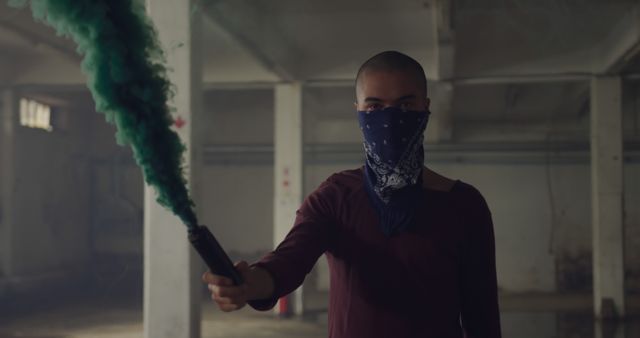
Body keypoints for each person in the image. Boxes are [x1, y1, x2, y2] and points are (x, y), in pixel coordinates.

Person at [202, 50, 502, 338]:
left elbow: (483, 319)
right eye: (374, 107)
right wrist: (249, 283)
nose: (389, 119)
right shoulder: (336, 197)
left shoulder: (464, 206)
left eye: (405, 106)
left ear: (425, 108)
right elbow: (289, 261)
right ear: (358, 111)